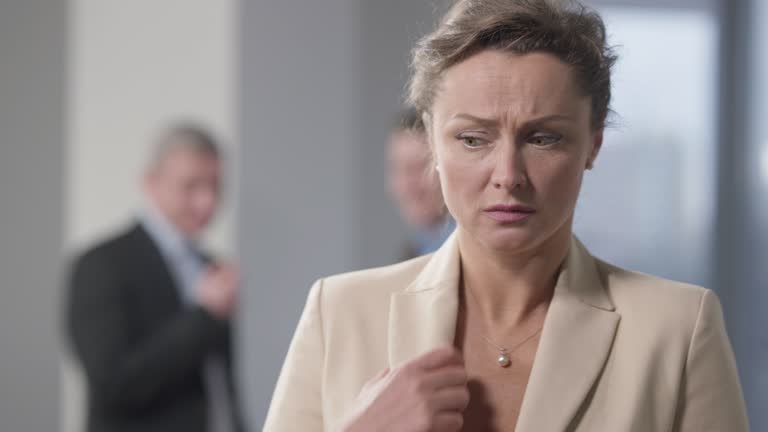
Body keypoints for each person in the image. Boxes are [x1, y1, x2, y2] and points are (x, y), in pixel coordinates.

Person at [264, 0, 749, 431]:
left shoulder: (677, 330)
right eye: (473, 139)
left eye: (543, 138)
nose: (508, 175)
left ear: (593, 144)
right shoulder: (340, 313)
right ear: (431, 142)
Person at [67, 124, 245, 432]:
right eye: (191, 186)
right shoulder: (102, 264)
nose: (207, 202)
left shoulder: (212, 266)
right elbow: (114, 383)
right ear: (151, 183)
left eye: (215, 187)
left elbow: (219, 387)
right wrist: (203, 317)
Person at [388, 108, 455, 259]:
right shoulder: (414, 251)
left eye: (419, 168)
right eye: (397, 168)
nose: (406, 186)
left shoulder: (473, 257)